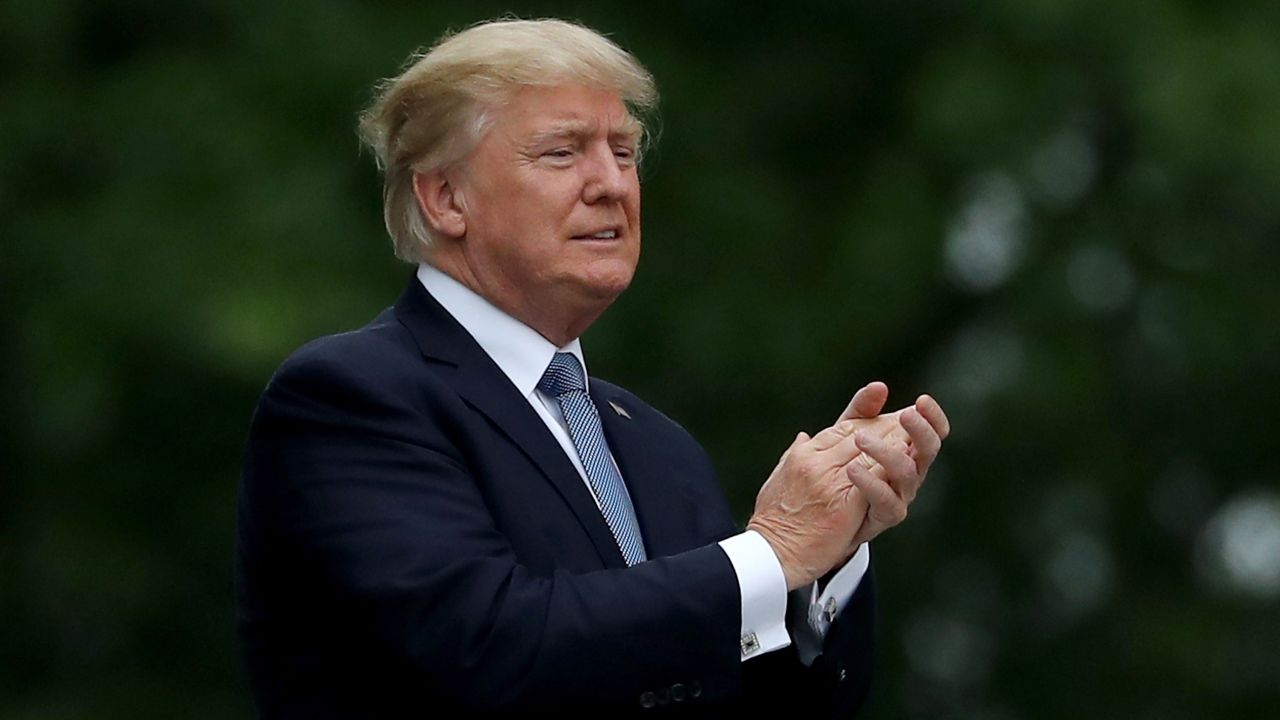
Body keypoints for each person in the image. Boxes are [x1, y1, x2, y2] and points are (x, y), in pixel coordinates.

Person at [236, 18, 950, 718]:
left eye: (624, 152)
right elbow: (487, 648)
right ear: (445, 197)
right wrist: (772, 552)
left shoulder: (657, 445)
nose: (611, 184)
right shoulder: (351, 396)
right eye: (561, 153)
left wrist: (824, 556)